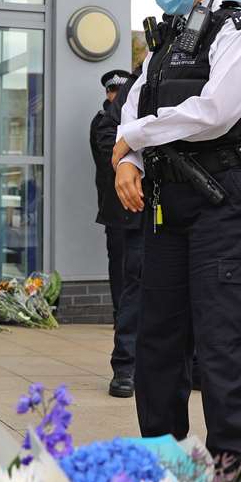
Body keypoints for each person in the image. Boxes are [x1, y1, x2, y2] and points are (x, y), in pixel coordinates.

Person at [111, 0, 241, 482]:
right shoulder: (163, 44)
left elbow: (216, 111)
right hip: (168, 203)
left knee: (225, 352)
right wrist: (126, 156)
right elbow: (133, 105)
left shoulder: (238, 30)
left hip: (225, 198)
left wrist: (132, 139)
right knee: (156, 349)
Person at [92, 68, 141, 398]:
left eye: (121, 91)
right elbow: (111, 154)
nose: (116, 96)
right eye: (113, 91)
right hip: (122, 217)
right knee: (127, 291)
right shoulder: (104, 121)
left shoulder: (138, 115)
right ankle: (125, 366)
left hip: (150, 215)